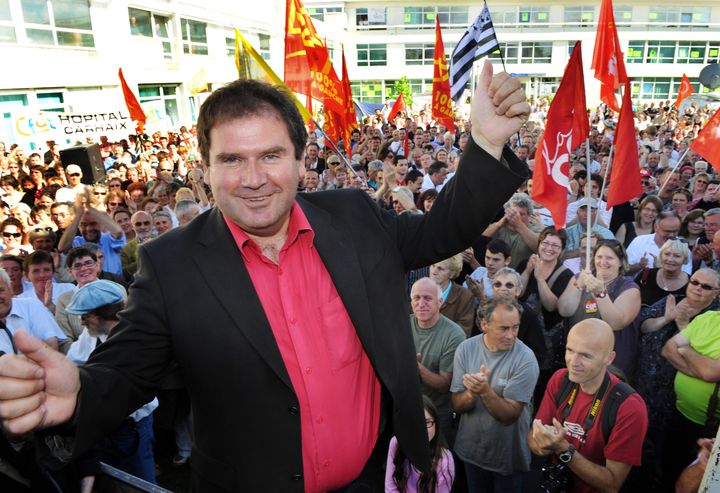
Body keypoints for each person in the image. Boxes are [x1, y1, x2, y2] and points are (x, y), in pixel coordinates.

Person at [0, 69, 531, 491]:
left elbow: (446, 228)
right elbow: (125, 370)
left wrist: (482, 145)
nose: (253, 179)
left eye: (271, 155)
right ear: (204, 168)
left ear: (301, 159)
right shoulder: (171, 264)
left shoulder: (354, 217)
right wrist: (80, 394)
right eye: (232, 159)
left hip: (374, 479)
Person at [528, 319, 648, 493]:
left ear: (609, 358)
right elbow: (532, 439)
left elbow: (612, 484)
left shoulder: (629, 407)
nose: (573, 362)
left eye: (586, 355)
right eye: (569, 350)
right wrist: (541, 444)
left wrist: (562, 448)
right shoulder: (560, 379)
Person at [64, 280, 158, 484]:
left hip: (132, 426)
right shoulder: (89, 336)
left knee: (141, 480)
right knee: (110, 480)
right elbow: (72, 361)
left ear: (103, 315)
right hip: (104, 427)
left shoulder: (136, 338)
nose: (81, 322)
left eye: (85, 316)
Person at [635, 268, 720, 489]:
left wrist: (685, 339)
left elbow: (711, 371)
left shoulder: (709, 314)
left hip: (705, 421)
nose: (698, 288)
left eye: (706, 286)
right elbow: (662, 343)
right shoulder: (679, 304)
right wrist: (668, 318)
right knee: (663, 460)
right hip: (662, 395)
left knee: (693, 475)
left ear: (716, 294)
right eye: (695, 282)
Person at [451, 296, 539, 492]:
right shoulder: (466, 349)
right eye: (504, 328)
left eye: (515, 327)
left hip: (507, 459)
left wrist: (484, 391)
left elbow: (509, 416)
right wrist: (471, 394)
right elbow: (457, 404)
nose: (511, 335)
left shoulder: (525, 359)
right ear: (484, 324)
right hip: (471, 453)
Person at [558, 239, 641, 379]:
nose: (603, 262)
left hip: (610, 363)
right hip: (577, 356)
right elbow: (564, 310)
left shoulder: (629, 288)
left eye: (609, 258)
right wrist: (578, 285)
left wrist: (600, 293)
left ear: (620, 262)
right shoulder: (580, 277)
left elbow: (616, 322)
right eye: (599, 257)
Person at [661, 301, 720, 486]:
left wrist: (686, 350)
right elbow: (668, 349)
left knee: (697, 480)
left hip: (711, 428)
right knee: (669, 468)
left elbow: (711, 372)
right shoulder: (708, 318)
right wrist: (700, 369)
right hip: (679, 413)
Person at [409, 278, 466, 446]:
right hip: (407, 407)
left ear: (440, 302)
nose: (421, 303)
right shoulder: (403, 324)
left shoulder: (454, 334)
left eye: (427, 298)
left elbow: (444, 384)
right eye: (416, 298)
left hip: (437, 413)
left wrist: (416, 366)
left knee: (438, 464)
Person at [385, 395, 455, 493]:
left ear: (436, 424)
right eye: (415, 422)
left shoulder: (445, 461)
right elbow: (390, 487)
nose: (421, 430)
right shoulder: (396, 443)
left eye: (427, 423)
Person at [626, 211, 691, 275]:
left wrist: (660, 270)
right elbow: (623, 270)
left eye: (675, 231)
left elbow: (686, 277)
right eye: (667, 231)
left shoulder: (684, 248)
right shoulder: (639, 241)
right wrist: (639, 265)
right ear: (656, 227)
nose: (671, 235)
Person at [429, 254, 476, 337]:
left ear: (452, 274)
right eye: (432, 266)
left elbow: (462, 333)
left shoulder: (465, 297)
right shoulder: (419, 290)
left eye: (440, 268)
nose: (433, 272)